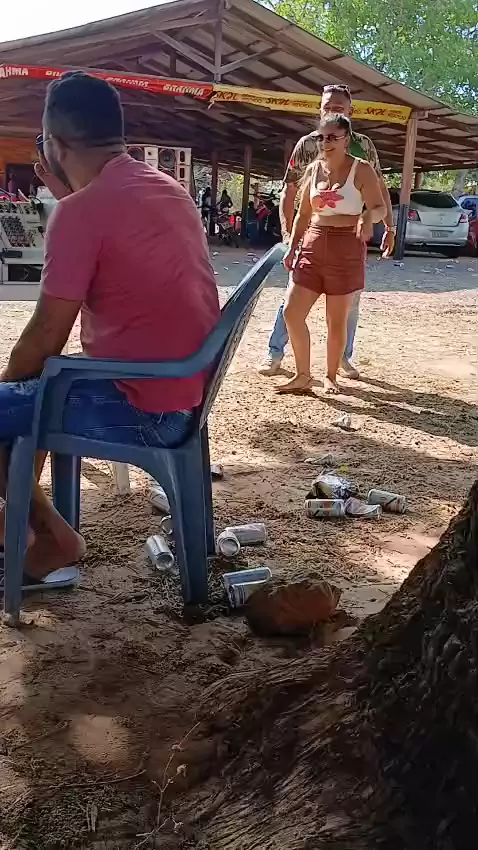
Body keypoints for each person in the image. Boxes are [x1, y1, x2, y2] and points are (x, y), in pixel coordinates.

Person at [0, 71, 220, 583]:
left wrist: (7, 390)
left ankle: (50, 535)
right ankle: (27, 522)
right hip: (186, 392)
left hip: (142, 406)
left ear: (54, 146)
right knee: (32, 393)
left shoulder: (82, 212)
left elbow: (45, 335)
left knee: (16, 397)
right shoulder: (167, 188)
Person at [259, 84, 395, 380]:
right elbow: (290, 190)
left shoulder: (363, 147)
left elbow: (379, 189)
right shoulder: (308, 145)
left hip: (348, 241)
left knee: (347, 307)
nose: (331, 111)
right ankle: (276, 352)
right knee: (292, 300)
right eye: (327, 107)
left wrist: (388, 225)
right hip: (312, 235)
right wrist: (289, 237)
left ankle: (341, 360)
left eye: (338, 107)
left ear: (350, 112)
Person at [277, 113, 385, 395]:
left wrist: (368, 218)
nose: (326, 143)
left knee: (335, 321)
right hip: (312, 244)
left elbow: (380, 207)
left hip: (346, 247)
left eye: (333, 137)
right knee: (292, 312)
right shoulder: (313, 170)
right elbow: (303, 214)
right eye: (321, 137)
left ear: (346, 139)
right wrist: (293, 247)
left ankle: (330, 376)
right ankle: (302, 375)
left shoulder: (361, 169)